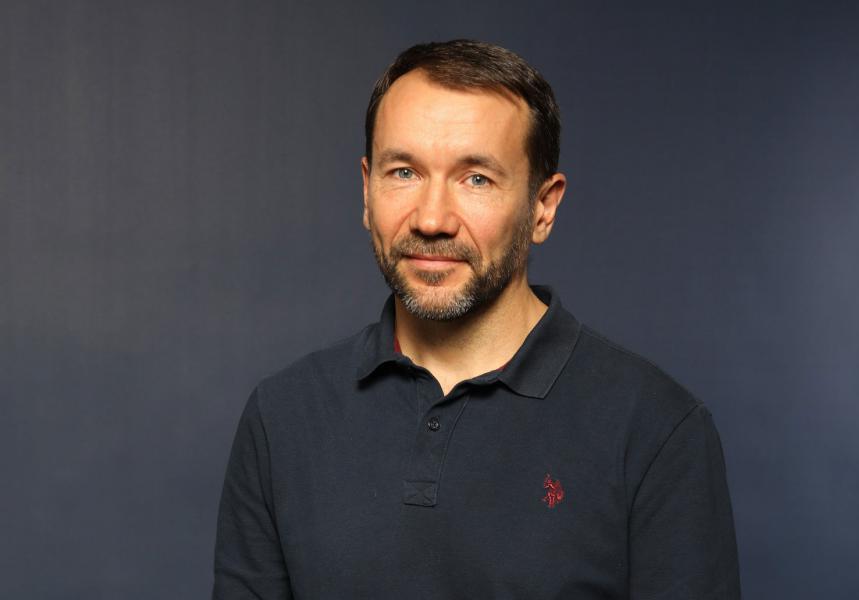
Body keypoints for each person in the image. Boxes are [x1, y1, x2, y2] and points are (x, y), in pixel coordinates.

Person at [213, 40, 741, 599]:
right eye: (404, 172)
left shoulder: (657, 431)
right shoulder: (283, 417)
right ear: (366, 191)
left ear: (543, 207)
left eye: (476, 179)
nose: (432, 219)